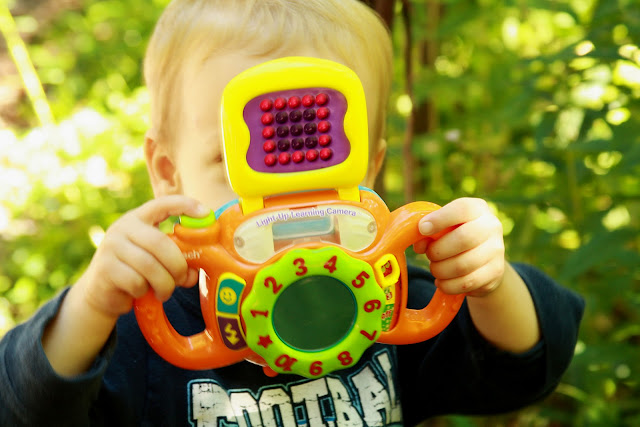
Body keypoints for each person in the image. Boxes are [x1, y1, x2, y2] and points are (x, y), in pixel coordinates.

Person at [0, 0, 584, 425]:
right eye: (237, 168)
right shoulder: (143, 336)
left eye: (325, 172)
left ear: (371, 168)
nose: (290, 210)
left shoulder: (395, 305)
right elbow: (21, 411)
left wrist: (487, 282)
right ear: (169, 173)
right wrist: (91, 306)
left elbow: (522, 372)